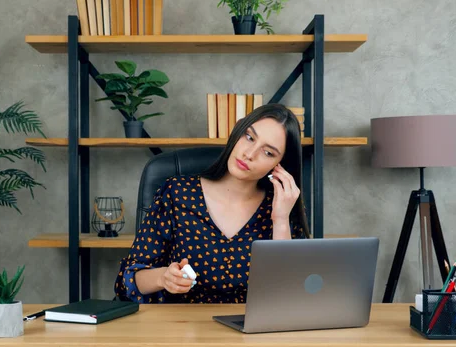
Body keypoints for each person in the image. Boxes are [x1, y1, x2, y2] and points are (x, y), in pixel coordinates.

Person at [114, 104, 310, 304]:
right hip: (182, 329)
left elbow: (290, 298)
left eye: (268, 153)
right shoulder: (177, 193)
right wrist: (163, 278)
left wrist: (281, 221)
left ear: (279, 166)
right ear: (238, 132)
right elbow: (127, 281)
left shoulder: (283, 208)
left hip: (252, 331)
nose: (249, 154)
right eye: (249, 137)